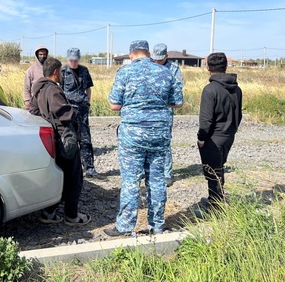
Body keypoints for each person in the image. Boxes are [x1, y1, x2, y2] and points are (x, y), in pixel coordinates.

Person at [105, 40, 183, 237]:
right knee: (156, 180)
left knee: (131, 181)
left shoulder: (125, 72)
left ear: (131, 54)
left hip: (132, 135)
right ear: (148, 53)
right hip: (159, 133)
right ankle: (157, 225)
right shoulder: (166, 72)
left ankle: (125, 226)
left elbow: (114, 104)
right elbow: (177, 102)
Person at [29, 58, 91, 226]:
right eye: (60, 73)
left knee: (57, 177)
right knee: (74, 178)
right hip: (64, 138)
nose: (62, 76)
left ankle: (48, 213)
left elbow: (33, 111)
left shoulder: (38, 89)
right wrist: (74, 111)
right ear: (56, 72)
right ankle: (72, 216)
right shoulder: (53, 90)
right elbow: (64, 113)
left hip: (51, 139)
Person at [197, 52, 243, 209]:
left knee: (212, 172)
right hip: (229, 134)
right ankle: (215, 200)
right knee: (219, 169)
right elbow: (239, 115)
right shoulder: (236, 88)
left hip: (213, 137)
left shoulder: (210, 89)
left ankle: (215, 208)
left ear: (208, 67)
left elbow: (205, 121)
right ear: (226, 66)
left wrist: (201, 138)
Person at [60, 47, 98, 177]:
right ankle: (70, 170)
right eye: (71, 60)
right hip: (69, 110)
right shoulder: (63, 71)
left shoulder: (84, 70)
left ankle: (89, 168)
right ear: (68, 59)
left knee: (85, 139)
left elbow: (88, 88)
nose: (73, 62)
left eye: (75, 60)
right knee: (69, 139)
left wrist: (87, 102)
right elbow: (60, 89)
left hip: (82, 109)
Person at [152, 43, 184, 187]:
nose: (157, 62)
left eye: (160, 59)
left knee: (165, 142)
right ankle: (149, 171)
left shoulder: (174, 69)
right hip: (149, 110)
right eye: (155, 59)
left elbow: (177, 90)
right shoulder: (150, 66)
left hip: (165, 110)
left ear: (166, 56)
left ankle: (167, 173)